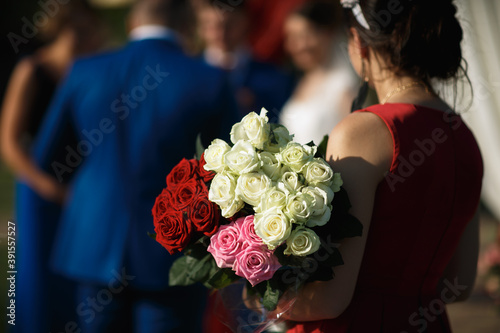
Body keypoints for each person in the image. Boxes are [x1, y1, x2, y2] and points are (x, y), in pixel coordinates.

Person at [22, 0, 235, 331]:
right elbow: (231, 173)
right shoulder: (210, 79)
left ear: (132, 23)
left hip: (92, 245)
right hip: (174, 251)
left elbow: (48, 156)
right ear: (186, 25)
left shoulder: (84, 70)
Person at [280, 0, 483, 332]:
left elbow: (331, 299)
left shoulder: (364, 132)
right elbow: (458, 284)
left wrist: (259, 297)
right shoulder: (464, 137)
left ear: (359, 42)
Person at [0, 1, 104, 331]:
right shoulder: (32, 69)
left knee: (79, 280)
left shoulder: (91, 71)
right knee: (36, 277)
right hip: (39, 191)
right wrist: (47, 187)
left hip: (81, 189)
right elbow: (9, 142)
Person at [195, 0, 294, 120]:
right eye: (212, 26)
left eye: (230, 25)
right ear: (200, 27)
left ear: (245, 22)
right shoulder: (187, 75)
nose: (221, 33)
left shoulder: (275, 77)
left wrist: (256, 104)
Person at [279, 0, 357, 145]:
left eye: (303, 36)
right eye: (290, 37)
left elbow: (356, 140)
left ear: (326, 34)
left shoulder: (344, 87)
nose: (294, 46)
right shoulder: (301, 80)